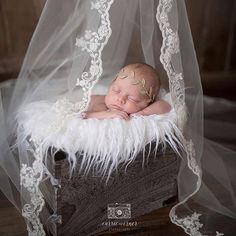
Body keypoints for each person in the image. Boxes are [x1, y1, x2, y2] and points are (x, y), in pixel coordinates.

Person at [84, 63, 171, 120]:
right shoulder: (101, 104)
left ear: (147, 103)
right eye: (116, 90)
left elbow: (165, 106)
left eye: (132, 99)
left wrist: (143, 113)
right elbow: (83, 115)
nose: (120, 99)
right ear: (110, 87)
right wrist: (105, 114)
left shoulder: (142, 109)